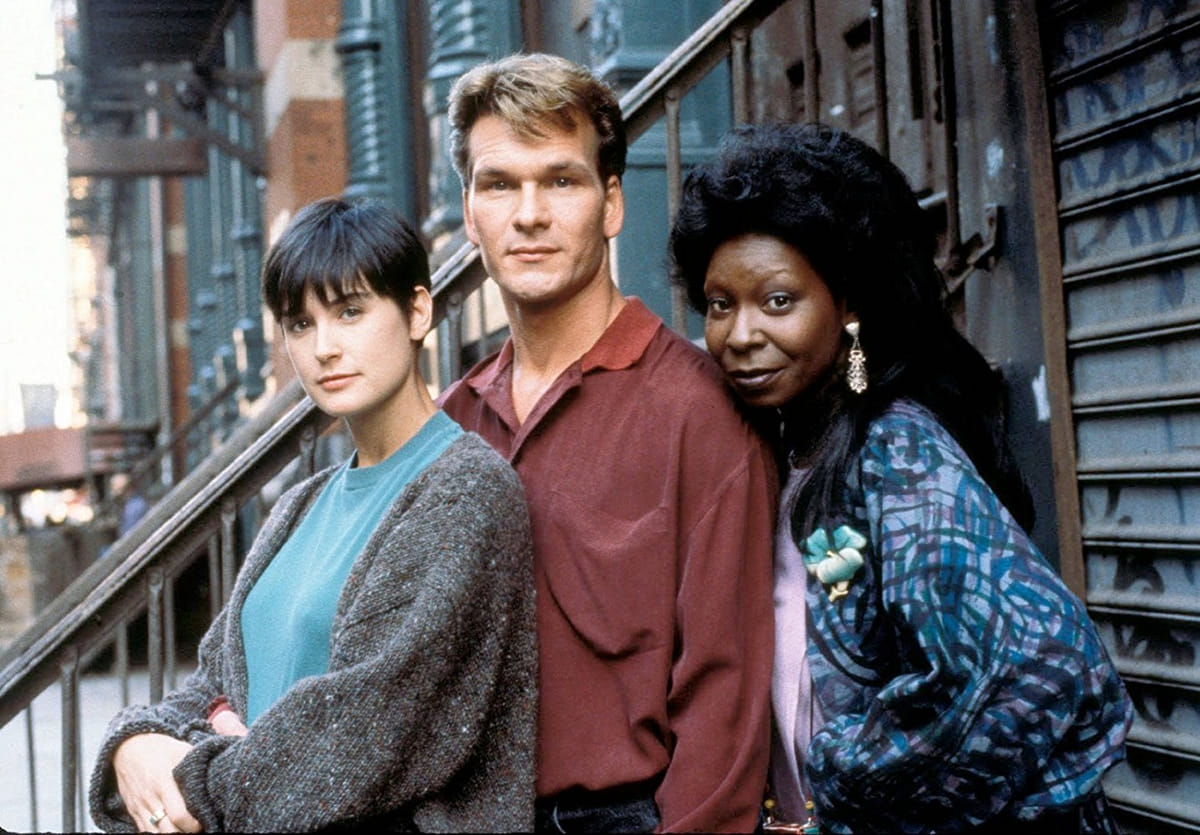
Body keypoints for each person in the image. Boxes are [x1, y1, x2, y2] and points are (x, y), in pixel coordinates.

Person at [669, 122, 1133, 834]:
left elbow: (1041, 665)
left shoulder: (893, 448)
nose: (740, 334)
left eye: (779, 301)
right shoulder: (783, 448)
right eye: (721, 304)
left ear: (849, 306)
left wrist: (846, 781)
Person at [88, 197, 538, 833]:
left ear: (417, 311)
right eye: (300, 324)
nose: (325, 347)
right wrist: (133, 743)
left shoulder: (465, 491)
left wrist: (183, 776)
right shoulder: (299, 505)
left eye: (350, 311)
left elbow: (354, 738)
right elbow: (211, 682)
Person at [438, 53, 777, 833]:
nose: (530, 214)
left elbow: (726, 703)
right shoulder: (452, 421)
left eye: (561, 180)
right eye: (500, 184)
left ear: (612, 203)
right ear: (470, 214)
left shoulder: (698, 410)